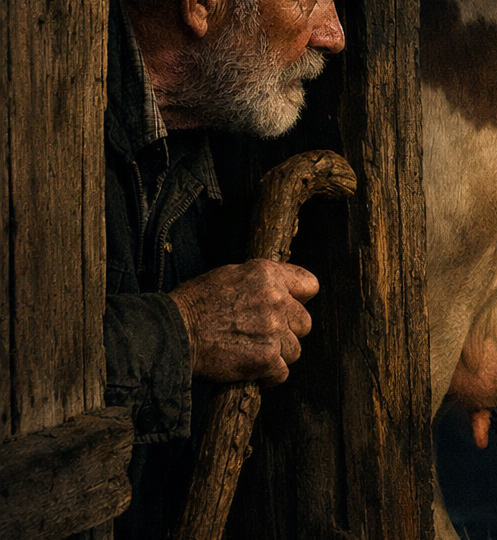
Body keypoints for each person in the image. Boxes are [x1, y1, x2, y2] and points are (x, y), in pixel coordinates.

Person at [101, 0, 345, 536]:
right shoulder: (35, 114)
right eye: (309, 2)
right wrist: (185, 330)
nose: (334, 35)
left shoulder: (196, 143)